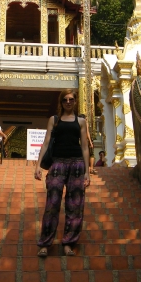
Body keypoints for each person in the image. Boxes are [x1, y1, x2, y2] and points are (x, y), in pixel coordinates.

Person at [35, 89, 90, 257]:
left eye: (71, 99)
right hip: (57, 164)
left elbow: (85, 147)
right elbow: (45, 143)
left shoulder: (81, 121)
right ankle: (45, 243)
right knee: (52, 204)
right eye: (65, 99)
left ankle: (68, 243)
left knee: (75, 206)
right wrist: (38, 165)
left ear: (75, 101)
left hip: (77, 164)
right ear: (61, 102)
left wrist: (87, 172)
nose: (68, 102)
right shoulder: (54, 120)